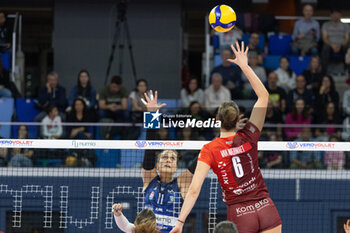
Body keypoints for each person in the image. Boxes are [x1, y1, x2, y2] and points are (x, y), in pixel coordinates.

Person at [170, 41, 281, 233]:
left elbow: (194, 189)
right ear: (239, 119)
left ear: (216, 119)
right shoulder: (249, 135)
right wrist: (245, 66)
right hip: (266, 207)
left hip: (240, 211)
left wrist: (180, 223)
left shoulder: (210, 149)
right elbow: (263, 96)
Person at [141, 90, 198, 232]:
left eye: (172, 158)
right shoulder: (150, 179)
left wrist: (225, 132)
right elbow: (149, 148)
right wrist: (152, 114)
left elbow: (203, 156)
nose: (168, 160)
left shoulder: (182, 182)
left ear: (176, 166)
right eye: (164, 157)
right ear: (158, 165)